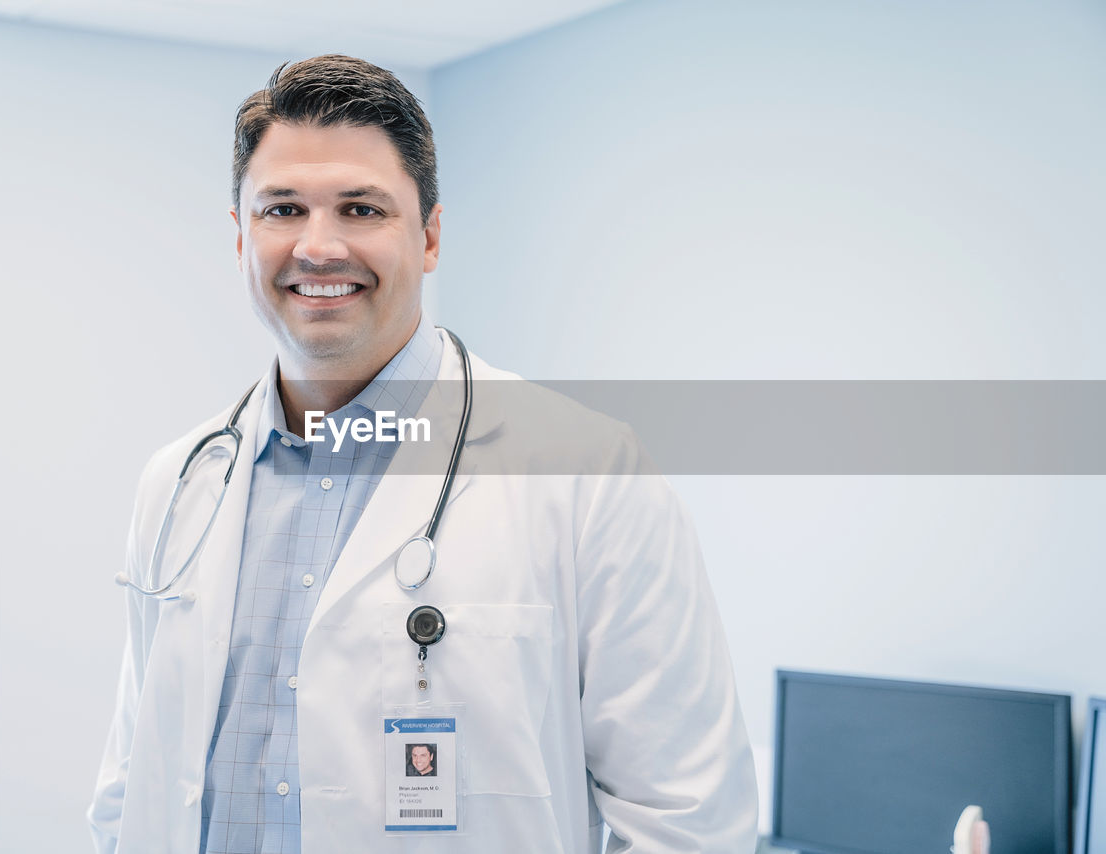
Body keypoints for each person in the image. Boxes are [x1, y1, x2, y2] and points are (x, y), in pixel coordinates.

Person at [88, 54, 757, 854]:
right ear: (241, 236)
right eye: (283, 209)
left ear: (430, 236)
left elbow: (688, 822)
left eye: (363, 209)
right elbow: (132, 786)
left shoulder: (588, 473)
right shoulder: (180, 482)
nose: (319, 246)